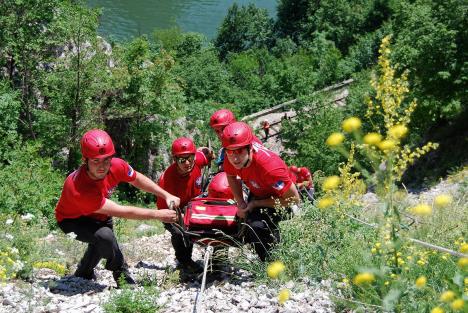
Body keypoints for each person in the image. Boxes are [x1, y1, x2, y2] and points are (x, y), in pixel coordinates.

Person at [55, 129, 180, 287]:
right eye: (95, 161)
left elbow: (136, 179)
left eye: (106, 160)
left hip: (98, 214)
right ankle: (122, 276)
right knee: (105, 237)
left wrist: (165, 194)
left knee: (103, 242)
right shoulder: (79, 188)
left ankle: (83, 272)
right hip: (71, 221)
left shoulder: (116, 165)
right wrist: (157, 214)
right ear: (84, 160)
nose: (102, 166)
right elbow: (122, 211)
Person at [222, 122, 301, 261]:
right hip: (258, 191)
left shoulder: (270, 168)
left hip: (280, 197)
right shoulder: (231, 156)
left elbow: (293, 199)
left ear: (250, 148)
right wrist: (240, 202)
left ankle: (272, 264)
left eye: (240, 151)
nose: (235, 158)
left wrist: (256, 204)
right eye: (230, 152)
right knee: (241, 225)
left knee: (257, 226)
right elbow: (231, 175)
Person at [156, 137, 212, 275]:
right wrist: (181, 217)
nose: (187, 163)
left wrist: (208, 154)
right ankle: (184, 261)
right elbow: (164, 210)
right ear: (175, 160)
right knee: (180, 233)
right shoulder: (167, 179)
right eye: (182, 160)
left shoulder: (197, 160)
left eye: (190, 158)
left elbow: (205, 155)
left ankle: (216, 259)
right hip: (171, 211)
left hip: (193, 206)